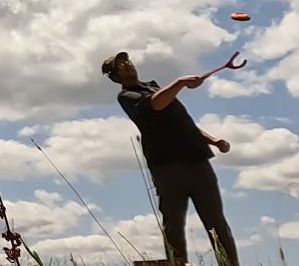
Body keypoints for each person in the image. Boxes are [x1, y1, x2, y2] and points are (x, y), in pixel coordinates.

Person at [102, 51, 239, 265]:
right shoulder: (127, 96)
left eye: (127, 62)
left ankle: (230, 264)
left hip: (197, 160)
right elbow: (156, 105)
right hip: (167, 168)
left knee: (217, 222)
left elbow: (186, 124)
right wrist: (180, 82)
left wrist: (215, 141)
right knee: (174, 223)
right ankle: (177, 263)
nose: (127, 66)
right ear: (114, 76)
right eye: (120, 66)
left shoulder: (155, 87)